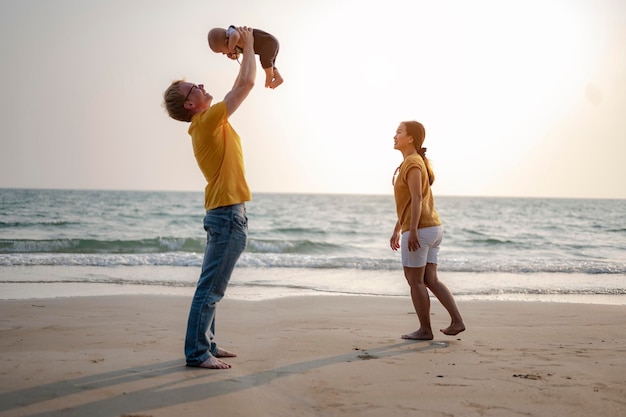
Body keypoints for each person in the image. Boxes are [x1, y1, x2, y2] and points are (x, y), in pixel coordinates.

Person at [162, 26, 256, 369]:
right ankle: (197, 353)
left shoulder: (208, 123)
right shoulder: (204, 122)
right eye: (194, 88)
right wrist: (248, 48)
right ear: (191, 104)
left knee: (212, 285)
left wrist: (241, 54)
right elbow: (245, 86)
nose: (201, 85)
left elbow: (238, 84)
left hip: (226, 213)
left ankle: (209, 344)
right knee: (211, 289)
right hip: (227, 216)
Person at [390, 121, 466, 340]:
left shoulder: (413, 163)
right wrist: (398, 229)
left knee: (415, 281)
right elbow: (408, 203)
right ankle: (457, 321)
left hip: (421, 229)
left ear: (411, 138)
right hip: (431, 228)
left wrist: (412, 230)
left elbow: (416, 198)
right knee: (430, 279)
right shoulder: (412, 162)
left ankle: (425, 330)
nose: (394, 136)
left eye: (399, 132)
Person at [208, 25, 283, 89]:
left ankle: (269, 76)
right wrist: (235, 55)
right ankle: (278, 78)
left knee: (265, 61)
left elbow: (235, 36)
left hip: (268, 42)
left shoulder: (231, 32)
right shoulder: (237, 44)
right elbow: (240, 53)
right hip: (266, 47)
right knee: (269, 63)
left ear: (226, 42)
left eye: (222, 51)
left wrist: (231, 48)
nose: (224, 54)